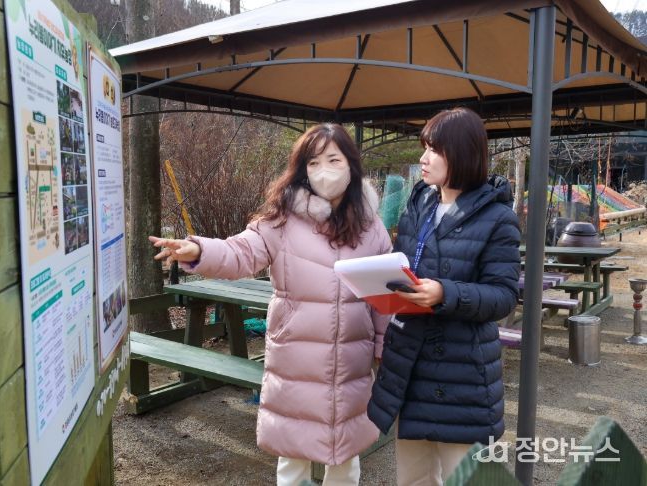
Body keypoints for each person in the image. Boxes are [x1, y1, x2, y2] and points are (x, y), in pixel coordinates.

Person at [149, 123, 392, 486]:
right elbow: (239, 252)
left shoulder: (372, 227)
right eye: (313, 163)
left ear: (351, 165)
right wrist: (199, 250)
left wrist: (384, 349)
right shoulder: (281, 220)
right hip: (296, 360)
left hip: (351, 364)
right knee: (292, 455)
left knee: (345, 458)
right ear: (302, 170)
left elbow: (384, 299)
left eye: (333, 160)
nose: (323, 171)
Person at [367, 107, 521, 485]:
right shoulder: (419, 203)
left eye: (434, 150)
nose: (423, 158)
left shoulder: (497, 217)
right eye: (425, 148)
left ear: (462, 153)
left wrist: (445, 293)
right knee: (413, 478)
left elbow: (504, 296)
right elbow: (405, 263)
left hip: (462, 372)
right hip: (410, 365)